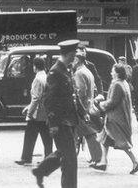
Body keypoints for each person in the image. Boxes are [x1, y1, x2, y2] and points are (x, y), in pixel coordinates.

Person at [33, 40, 82, 188]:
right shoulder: (56, 72)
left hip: (69, 121)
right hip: (60, 122)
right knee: (70, 160)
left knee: (64, 153)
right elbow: (49, 100)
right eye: (74, 54)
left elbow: (70, 96)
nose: (75, 58)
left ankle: (40, 170)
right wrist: (53, 123)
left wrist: (80, 113)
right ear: (70, 54)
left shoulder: (65, 70)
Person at [91, 64, 138, 174]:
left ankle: (135, 161)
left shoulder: (117, 85)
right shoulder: (125, 83)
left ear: (117, 73)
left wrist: (100, 104)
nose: (111, 73)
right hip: (119, 117)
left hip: (115, 119)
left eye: (112, 71)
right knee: (104, 139)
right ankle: (103, 162)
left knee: (122, 142)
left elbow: (112, 102)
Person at [18, 56, 53, 166]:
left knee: (29, 135)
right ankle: (48, 157)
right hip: (45, 112)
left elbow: (36, 98)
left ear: (35, 67)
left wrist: (29, 113)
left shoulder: (37, 79)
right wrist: (28, 107)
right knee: (46, 136)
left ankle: (26, 157)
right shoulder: (46, 76)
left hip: (37, 113)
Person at [72, 49, 102, 165]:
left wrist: (78, 106)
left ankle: (97, 158)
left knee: (87, 133)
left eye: (74, 59)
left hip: (82, 107)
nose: (72, 62)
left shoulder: (79, 73)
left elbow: (80, 92)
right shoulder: (88, 71)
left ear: (77, 60)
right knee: (87, 133)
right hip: (88, 105)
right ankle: (97, 157)